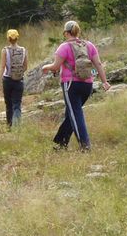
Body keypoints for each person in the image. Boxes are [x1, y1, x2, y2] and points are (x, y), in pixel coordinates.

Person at [41, 20, 110, 150]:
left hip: (70, 84)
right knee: (71, 113)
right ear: (78, 31)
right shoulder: (89, 45)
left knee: (75, 113)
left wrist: (46, 67)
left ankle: (85, 145)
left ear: (66, 33)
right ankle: (61, 142)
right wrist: (104, 81)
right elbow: (98, 64)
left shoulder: (64, 47)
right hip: (87, 85)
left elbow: (55, 66)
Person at [0, 29, 28, 127]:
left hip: (7, 80)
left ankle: (9, 127)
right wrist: (19, 74)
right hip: (19, 80)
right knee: (17, 105)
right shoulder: (23, 50)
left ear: (8, 38)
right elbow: (25, 67)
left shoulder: (5, 50)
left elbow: (3, 66)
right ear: (17, 37)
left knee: (9, 104)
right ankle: (18, 127)